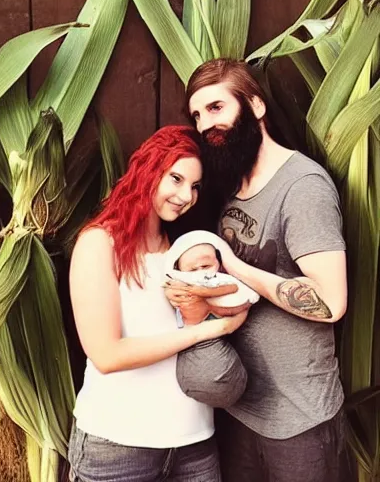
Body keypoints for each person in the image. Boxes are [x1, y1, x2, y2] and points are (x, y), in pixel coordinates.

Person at [167, 58, 349, 482]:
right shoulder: (231, 187)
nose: (205, 124)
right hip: (239, 409)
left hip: (299, 419)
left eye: (216, 108)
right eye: (197, 115)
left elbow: (331, 301)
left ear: (256, 106)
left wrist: (234, 266)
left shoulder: (302, 187)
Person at [67, 125, 247, 482]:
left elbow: (219, 310)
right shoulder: (99, 244)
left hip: (195, 446)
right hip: (117, 448)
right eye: (176, 179)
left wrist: (217, 313)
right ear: (148, 170)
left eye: (195, 186)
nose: (186, 195)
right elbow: (107, 355)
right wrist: (215, 328)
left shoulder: (184, 252)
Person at [163, 230, 259, 408]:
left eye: (206, 266)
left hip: (217, 345)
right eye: (192, 269)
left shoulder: (220, 280)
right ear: (179, 270)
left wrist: (205, 296)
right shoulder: (179, 283)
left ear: (219, 264)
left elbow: (231, 290)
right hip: (190, 350)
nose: (200, 272)